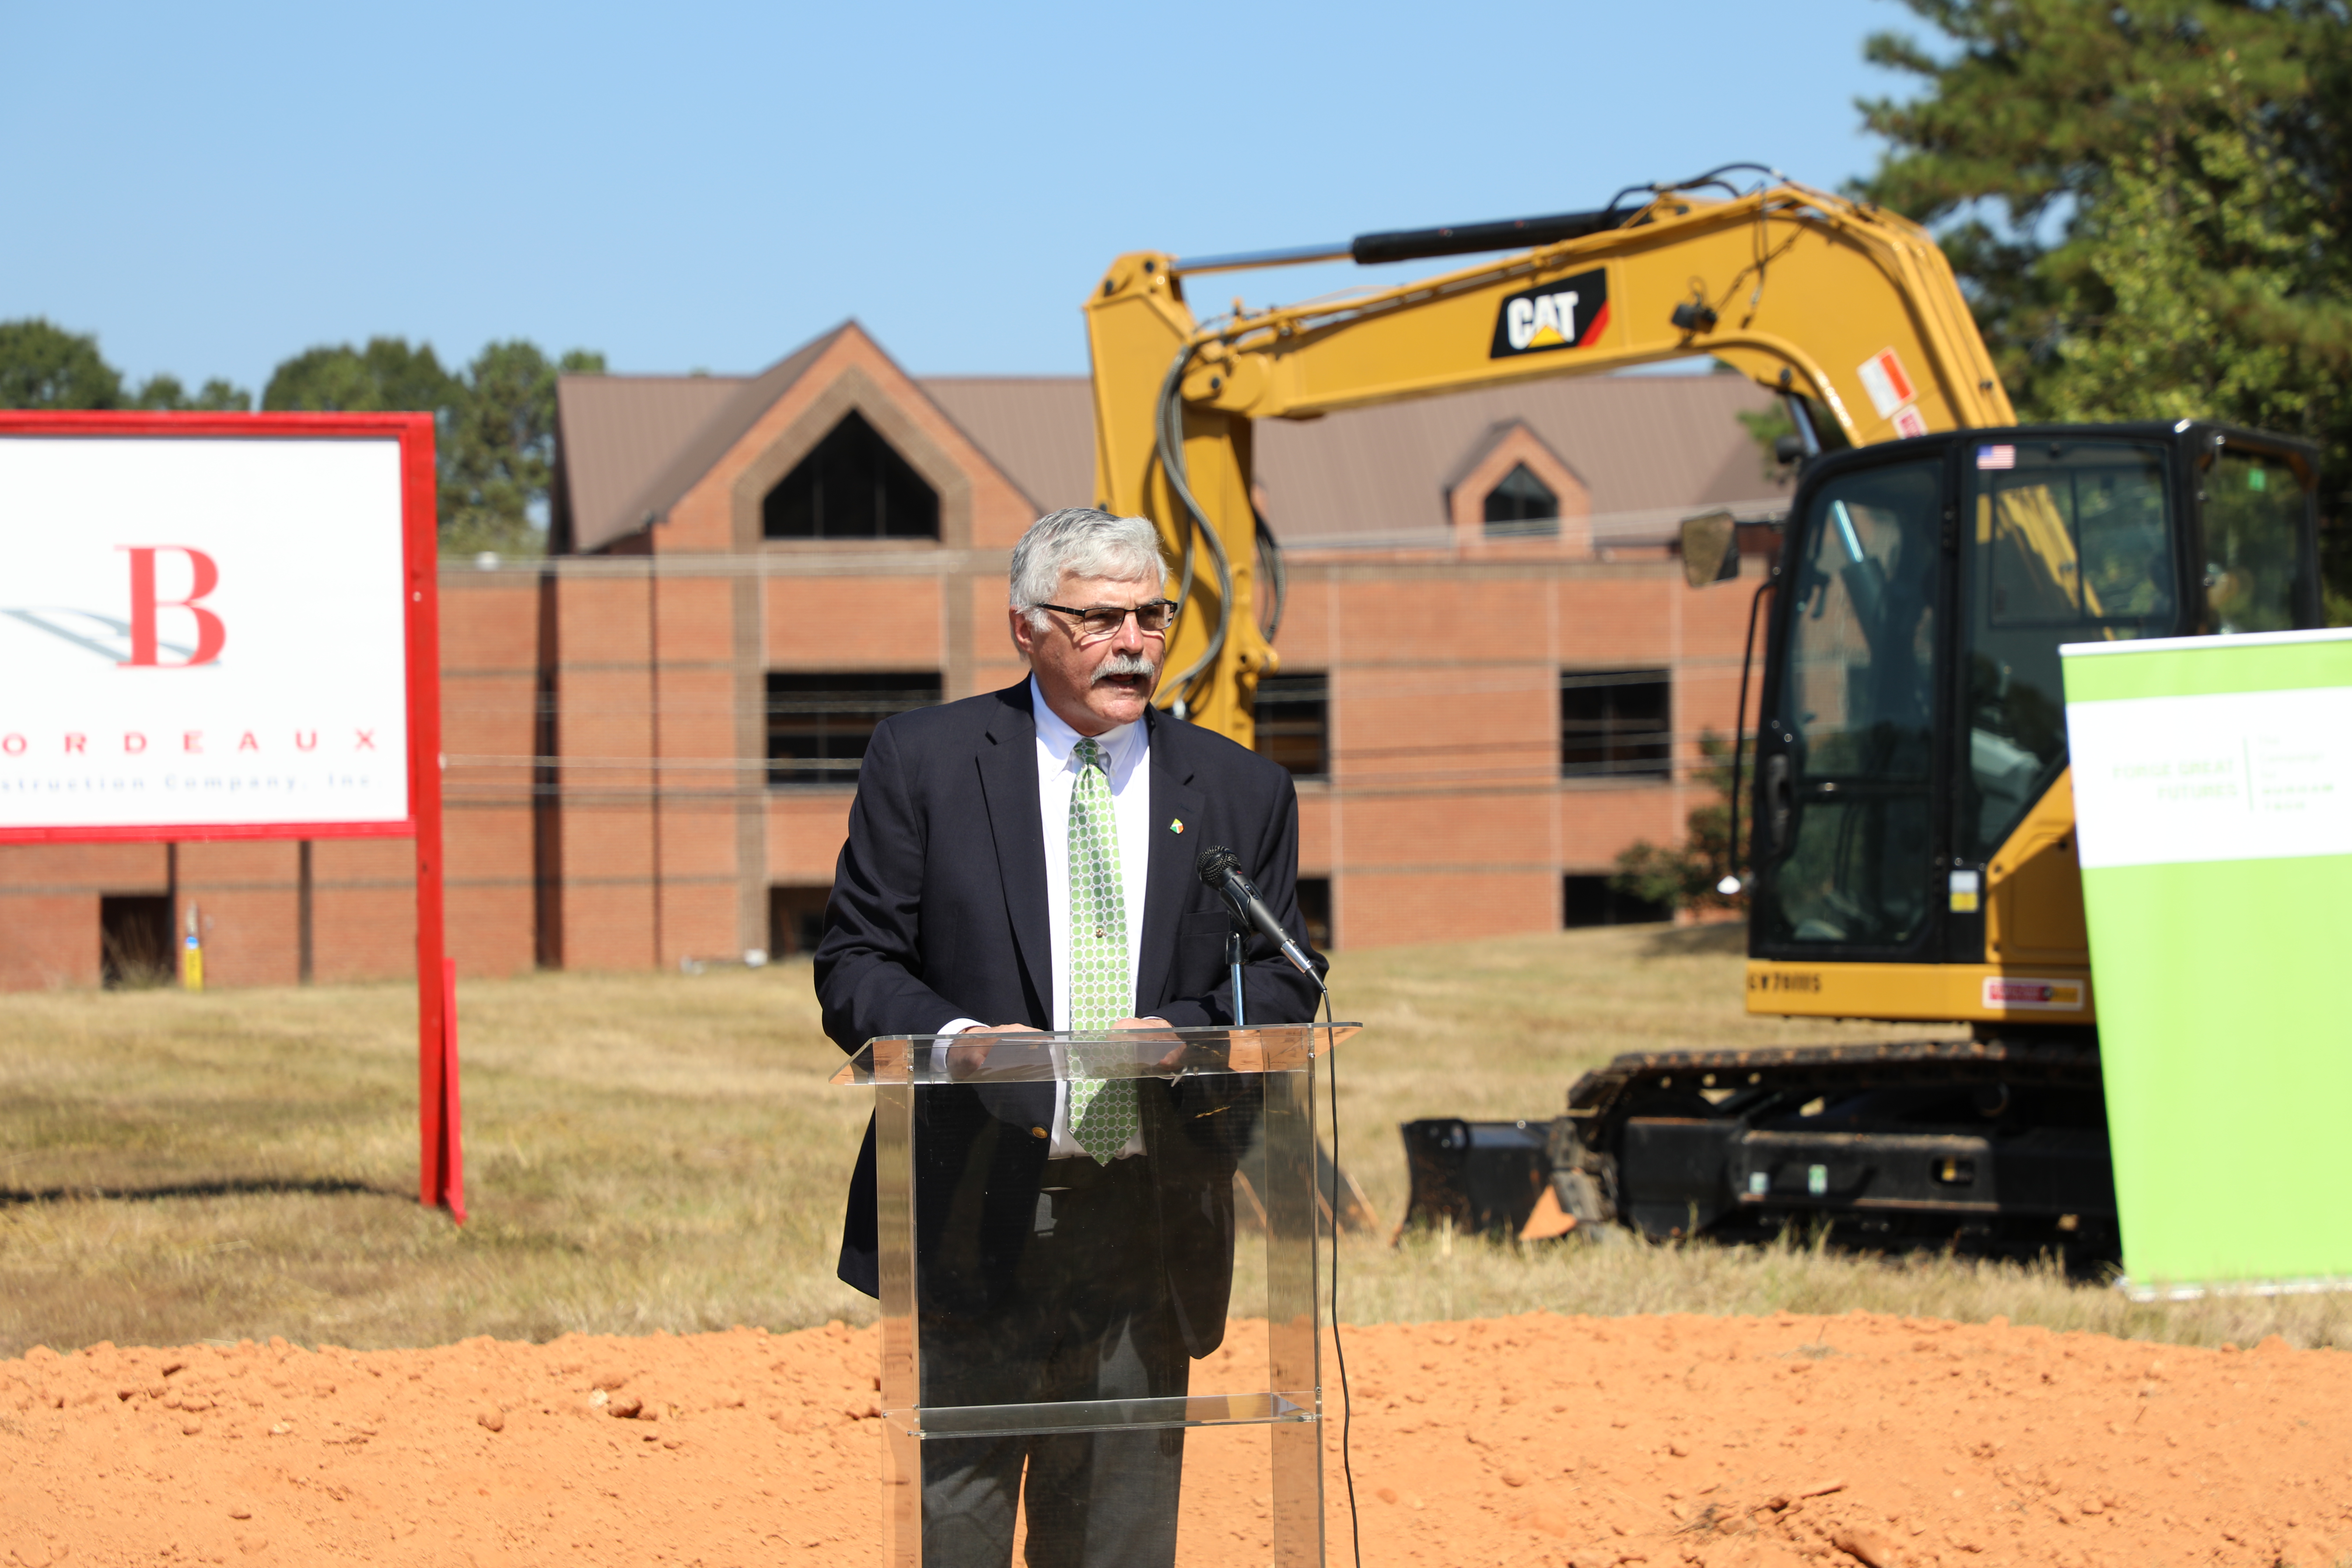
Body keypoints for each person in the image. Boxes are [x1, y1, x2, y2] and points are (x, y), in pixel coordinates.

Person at [814, 507, 1325, 1568]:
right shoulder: (925, 763)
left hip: (1148, 1218)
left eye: (1152, 615)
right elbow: (854, 967)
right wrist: (959, 1042)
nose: (1132, 641)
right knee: (955, 1527)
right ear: (1026, 626)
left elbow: (1283, 979)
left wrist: (1184, 1034)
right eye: (1098, 620)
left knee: (1117, 1540)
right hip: (971, 1205)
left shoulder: (1241, 790)